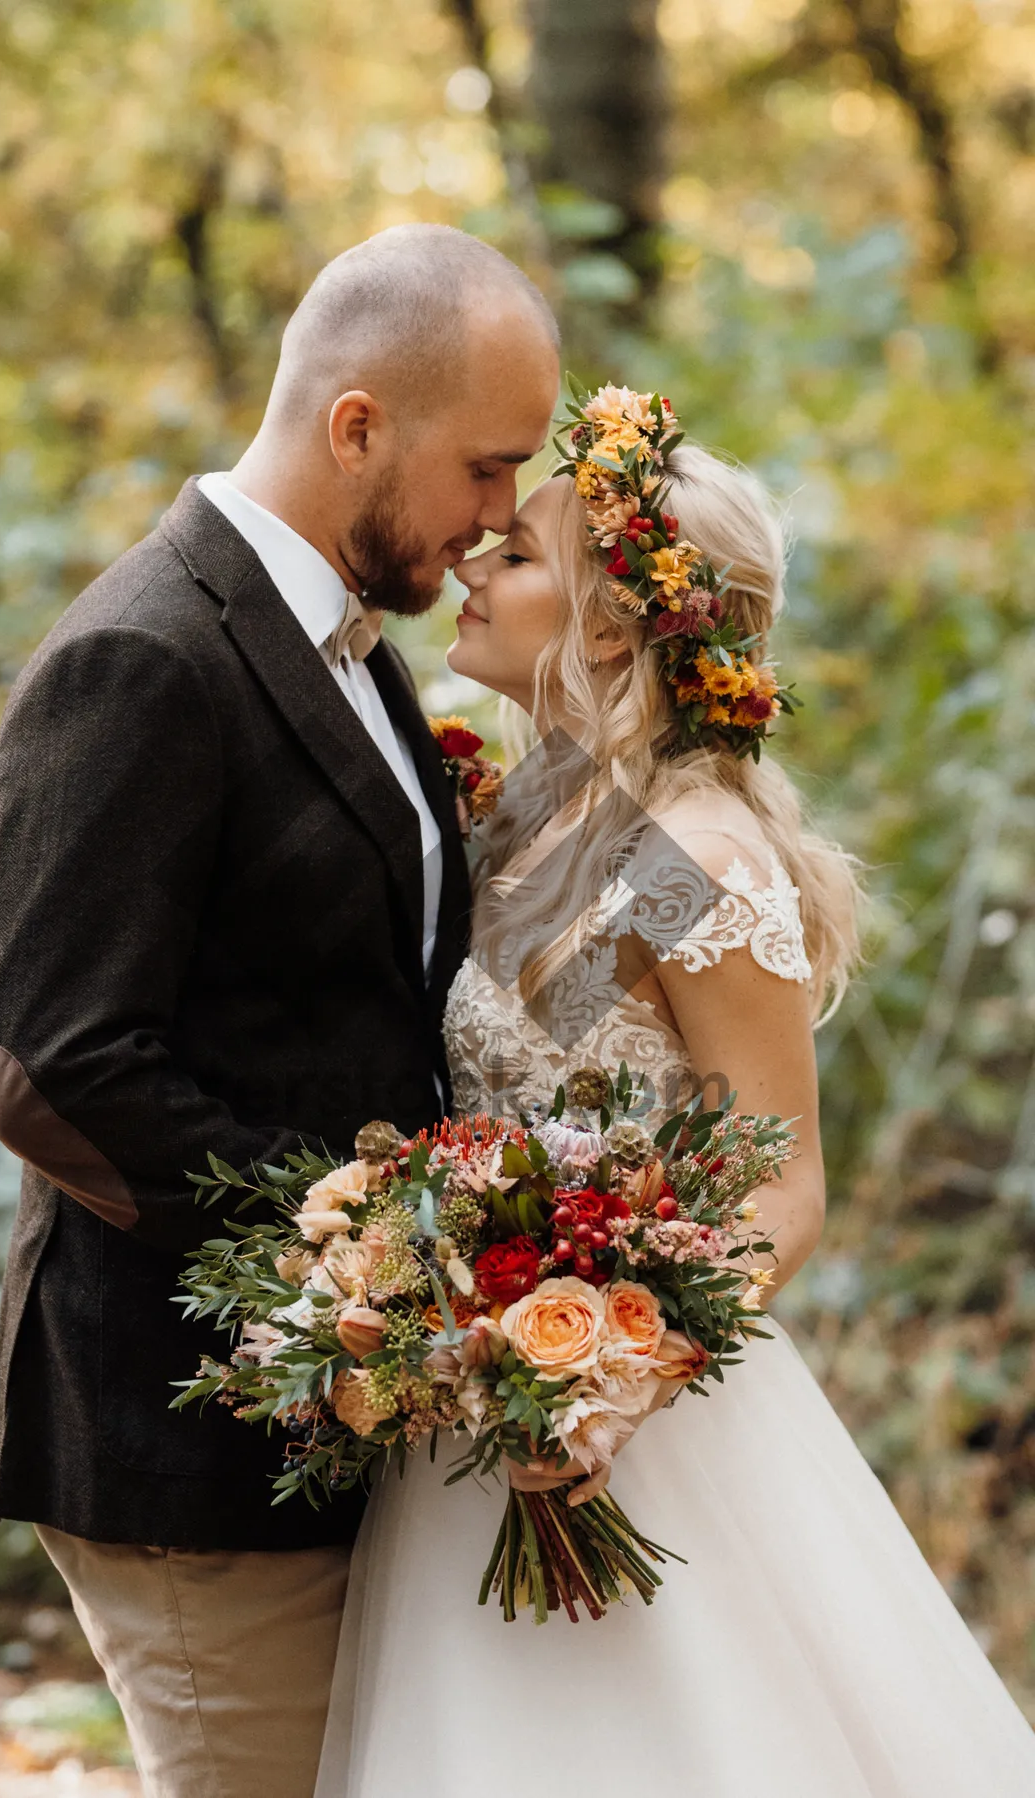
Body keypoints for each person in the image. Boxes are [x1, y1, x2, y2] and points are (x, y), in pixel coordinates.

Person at [316, 399, 1035, 1795]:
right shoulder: (533, 814)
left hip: (630, 1434)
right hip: (477, 1406)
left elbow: (785, 1183)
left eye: (515, 554)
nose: (470, 562)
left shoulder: (688, 857)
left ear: (602, 624)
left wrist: (613, 1381)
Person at [0, 223, 561, 1798]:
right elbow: (52, 1067)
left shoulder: (353, 647)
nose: (502, 519)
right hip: (187, 1443)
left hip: (332, 1437)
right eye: (488, 469)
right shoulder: (139, 659)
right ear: (356, 424)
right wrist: (356, 1238)